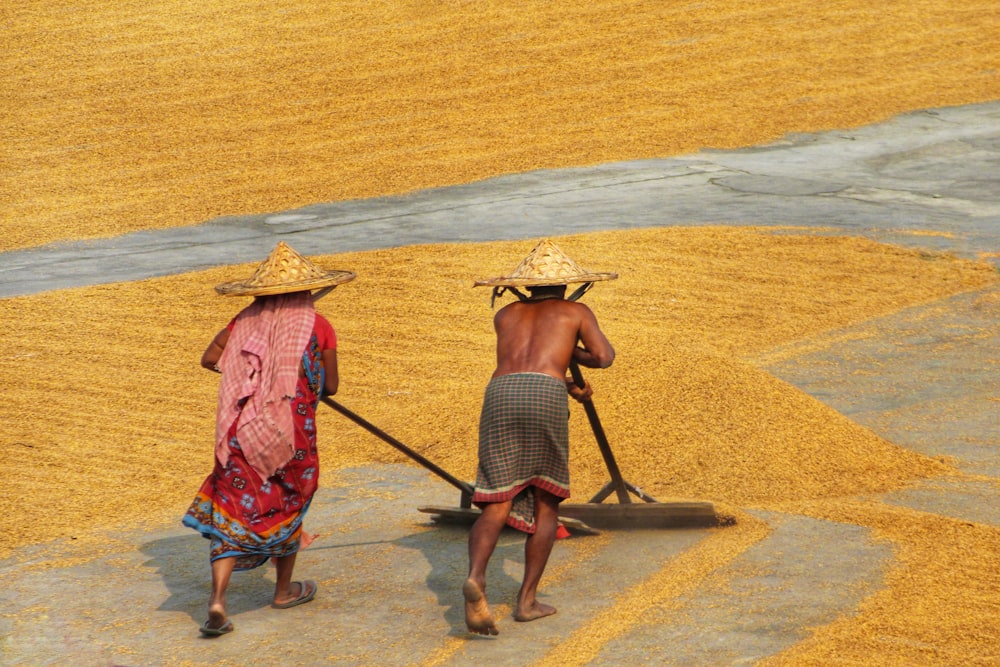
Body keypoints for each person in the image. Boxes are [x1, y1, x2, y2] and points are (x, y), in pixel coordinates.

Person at [182, 241, 355, 637]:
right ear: (306, 291)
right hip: (291, 436)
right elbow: (331, 386)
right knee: (289, 503)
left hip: (241, 432)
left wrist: (247, 380)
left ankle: (218, 600)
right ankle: (282, 592)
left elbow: (209, 360)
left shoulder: (242, 321)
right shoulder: (318, 325)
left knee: (233, 508)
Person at [464, 239, 617, 636]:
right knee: (547, 500)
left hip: (499, 391)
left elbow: (527, 360)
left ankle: (476, 578)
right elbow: (603, 357)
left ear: (525, 286)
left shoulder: (505, 313)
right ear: (567, 285)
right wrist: (573, 351)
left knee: (496, 499)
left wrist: (564, 368)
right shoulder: (575, 310)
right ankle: (526, 602)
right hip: (545, 392)